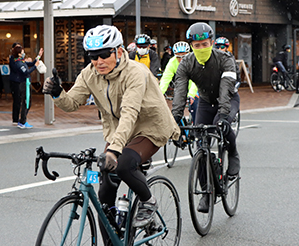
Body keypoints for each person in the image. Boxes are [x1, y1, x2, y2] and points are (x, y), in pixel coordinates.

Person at [42, 25, 179, 243]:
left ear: (118, 51)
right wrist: (58, 93)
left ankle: (149, 201)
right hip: (118, 131)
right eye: (93, 56)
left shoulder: (136, 72)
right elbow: (72, 103)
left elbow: (130, 112)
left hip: (150, 127)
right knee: (105, 191)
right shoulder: (89, 74)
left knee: (123, 164)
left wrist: (114, 150)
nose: (99, 61)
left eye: (104, 54)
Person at [171, 22, 239, 213]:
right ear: (192, 46)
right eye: (197, 45)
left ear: (211, 42)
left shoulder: (225, 58)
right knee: (201, 145)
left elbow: (226, 89)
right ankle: (206, 193)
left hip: (227, 100)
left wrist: (224, 115)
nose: (201, 48)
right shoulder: (186, 63)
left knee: (223, 126)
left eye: (205, 44)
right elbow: (180, 91)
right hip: (205, 102)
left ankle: (233, 153)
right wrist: (175, 118)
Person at [159, 41, 198, 121]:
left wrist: (191, 94)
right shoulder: (172, 62)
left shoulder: (194, 60)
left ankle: (196, 128)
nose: (181, 59)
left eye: (184, 56)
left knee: (195, 107)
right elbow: (166, 77)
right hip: (181, 87)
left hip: (195, 87)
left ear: (189, 53)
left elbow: (196, 81)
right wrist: (160, 93)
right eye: (178, 57)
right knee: (176, 110)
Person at [10, 45, 43, 128]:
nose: (24, 53)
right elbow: (26, 72)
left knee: (27, 102)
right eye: (22, 52)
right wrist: (35, 66)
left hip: (26, 83)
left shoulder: (22, 61)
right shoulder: (18, 63)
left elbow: (31, 63)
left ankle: (22, 121)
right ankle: (22, 121)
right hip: (23, 84)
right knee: (26, 102)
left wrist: (38, 56)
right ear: (19, 54)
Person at [214, 36, 241, 123]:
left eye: (222, 47)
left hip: (230, 84)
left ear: (226, 48)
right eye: (217, 47)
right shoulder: (213, 57)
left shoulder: (230, 58)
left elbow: (236, 75)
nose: (219, 49)